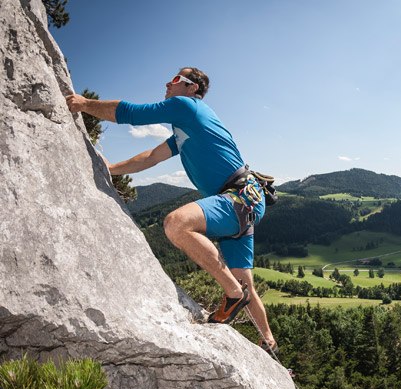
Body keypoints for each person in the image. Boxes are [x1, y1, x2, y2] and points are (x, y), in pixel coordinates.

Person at [65, 67, 277, 354]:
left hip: (238, 197)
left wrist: (85, 105)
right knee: (245, 282)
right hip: (246, 202)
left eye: (177, 79)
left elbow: (133, 114)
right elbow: (151, 157)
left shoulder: (186, 106)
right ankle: (269, 343)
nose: (168, 83)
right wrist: (111, 169)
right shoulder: (184, 130)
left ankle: (232, 294)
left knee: (177, 224)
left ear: (192, 88)